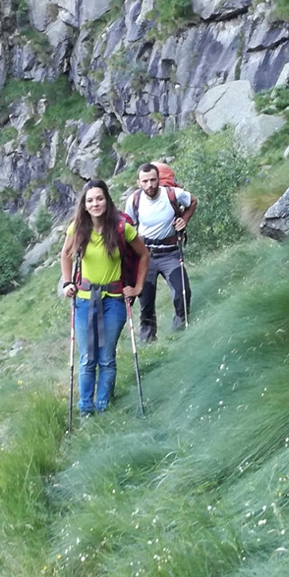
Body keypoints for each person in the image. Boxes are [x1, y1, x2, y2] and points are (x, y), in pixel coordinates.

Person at [61, 180, 149, 415]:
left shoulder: (121, 227)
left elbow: (143, 254)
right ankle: (85, 409)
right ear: (85, 205)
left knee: (106, 358)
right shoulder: (77, 228)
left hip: (114, 301)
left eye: (99, 198)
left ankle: (102, 407)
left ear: (107, 200)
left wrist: (138, 287)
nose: (95, 203)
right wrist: (67, 282)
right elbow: (66, 255)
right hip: (83, 300)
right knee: (88, 357)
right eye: (90, 200)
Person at [124, 163, 197, 342]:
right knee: (146, 302)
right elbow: (126, 226)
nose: (150, 185)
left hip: (170, 253)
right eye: (145, 181)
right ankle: (148, 342)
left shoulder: (172, 194)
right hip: (145, 256)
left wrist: (184, 220)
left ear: (158, 179)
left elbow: (193, 201)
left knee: (182, 292)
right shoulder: (134, 200)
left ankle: (180, 333)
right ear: (139, 182)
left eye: (153, 180)